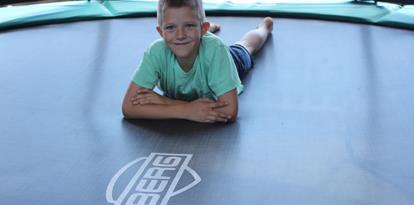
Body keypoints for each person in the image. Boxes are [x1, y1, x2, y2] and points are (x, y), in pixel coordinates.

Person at [122, 0, 273, 123]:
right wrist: (186, 110)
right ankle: (203, 28)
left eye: (189, 25)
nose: (180, 35)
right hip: (200, 42)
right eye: (170, 27)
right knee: (188, 39)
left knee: (245, 47)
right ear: (161, 32)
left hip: (227, 61)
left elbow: (229, 111)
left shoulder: (216, 50)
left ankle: (264, 28)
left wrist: (165, 102)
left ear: (202, 29)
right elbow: (128, 107)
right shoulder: (156, 52)